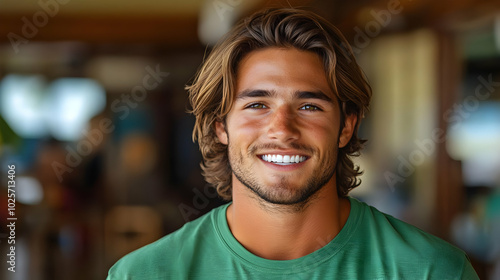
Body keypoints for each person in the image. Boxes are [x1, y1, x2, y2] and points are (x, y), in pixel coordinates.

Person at [107, 8, 479, 279]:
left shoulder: (433, 271)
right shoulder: (143, 275)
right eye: (257, 104)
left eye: (308, 105)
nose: (282, 129)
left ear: (346, 126)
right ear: (221, 125)